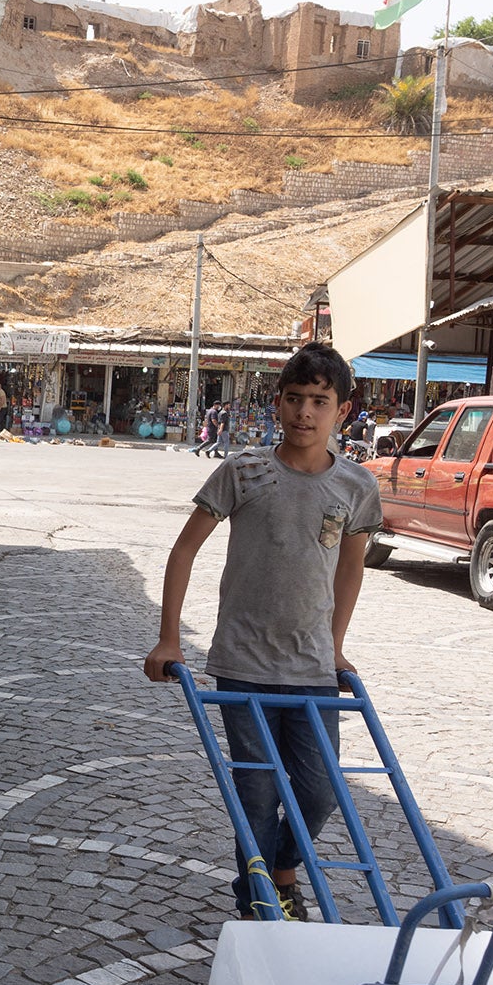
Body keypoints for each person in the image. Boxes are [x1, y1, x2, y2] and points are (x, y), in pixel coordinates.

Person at [141, 343, 383, 923]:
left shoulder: (356, 486)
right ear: (278, 403)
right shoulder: (243, 471)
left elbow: (350, 570)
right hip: (243, 661)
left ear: (342, 412)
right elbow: (184, 549)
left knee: (321, 791)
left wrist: (336, 646)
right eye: (295, 399)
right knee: (256, 791)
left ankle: (281, 869)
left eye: (319, 401)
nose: (305, 412)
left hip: (312, 666)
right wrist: (169, 637)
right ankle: (260, 893)